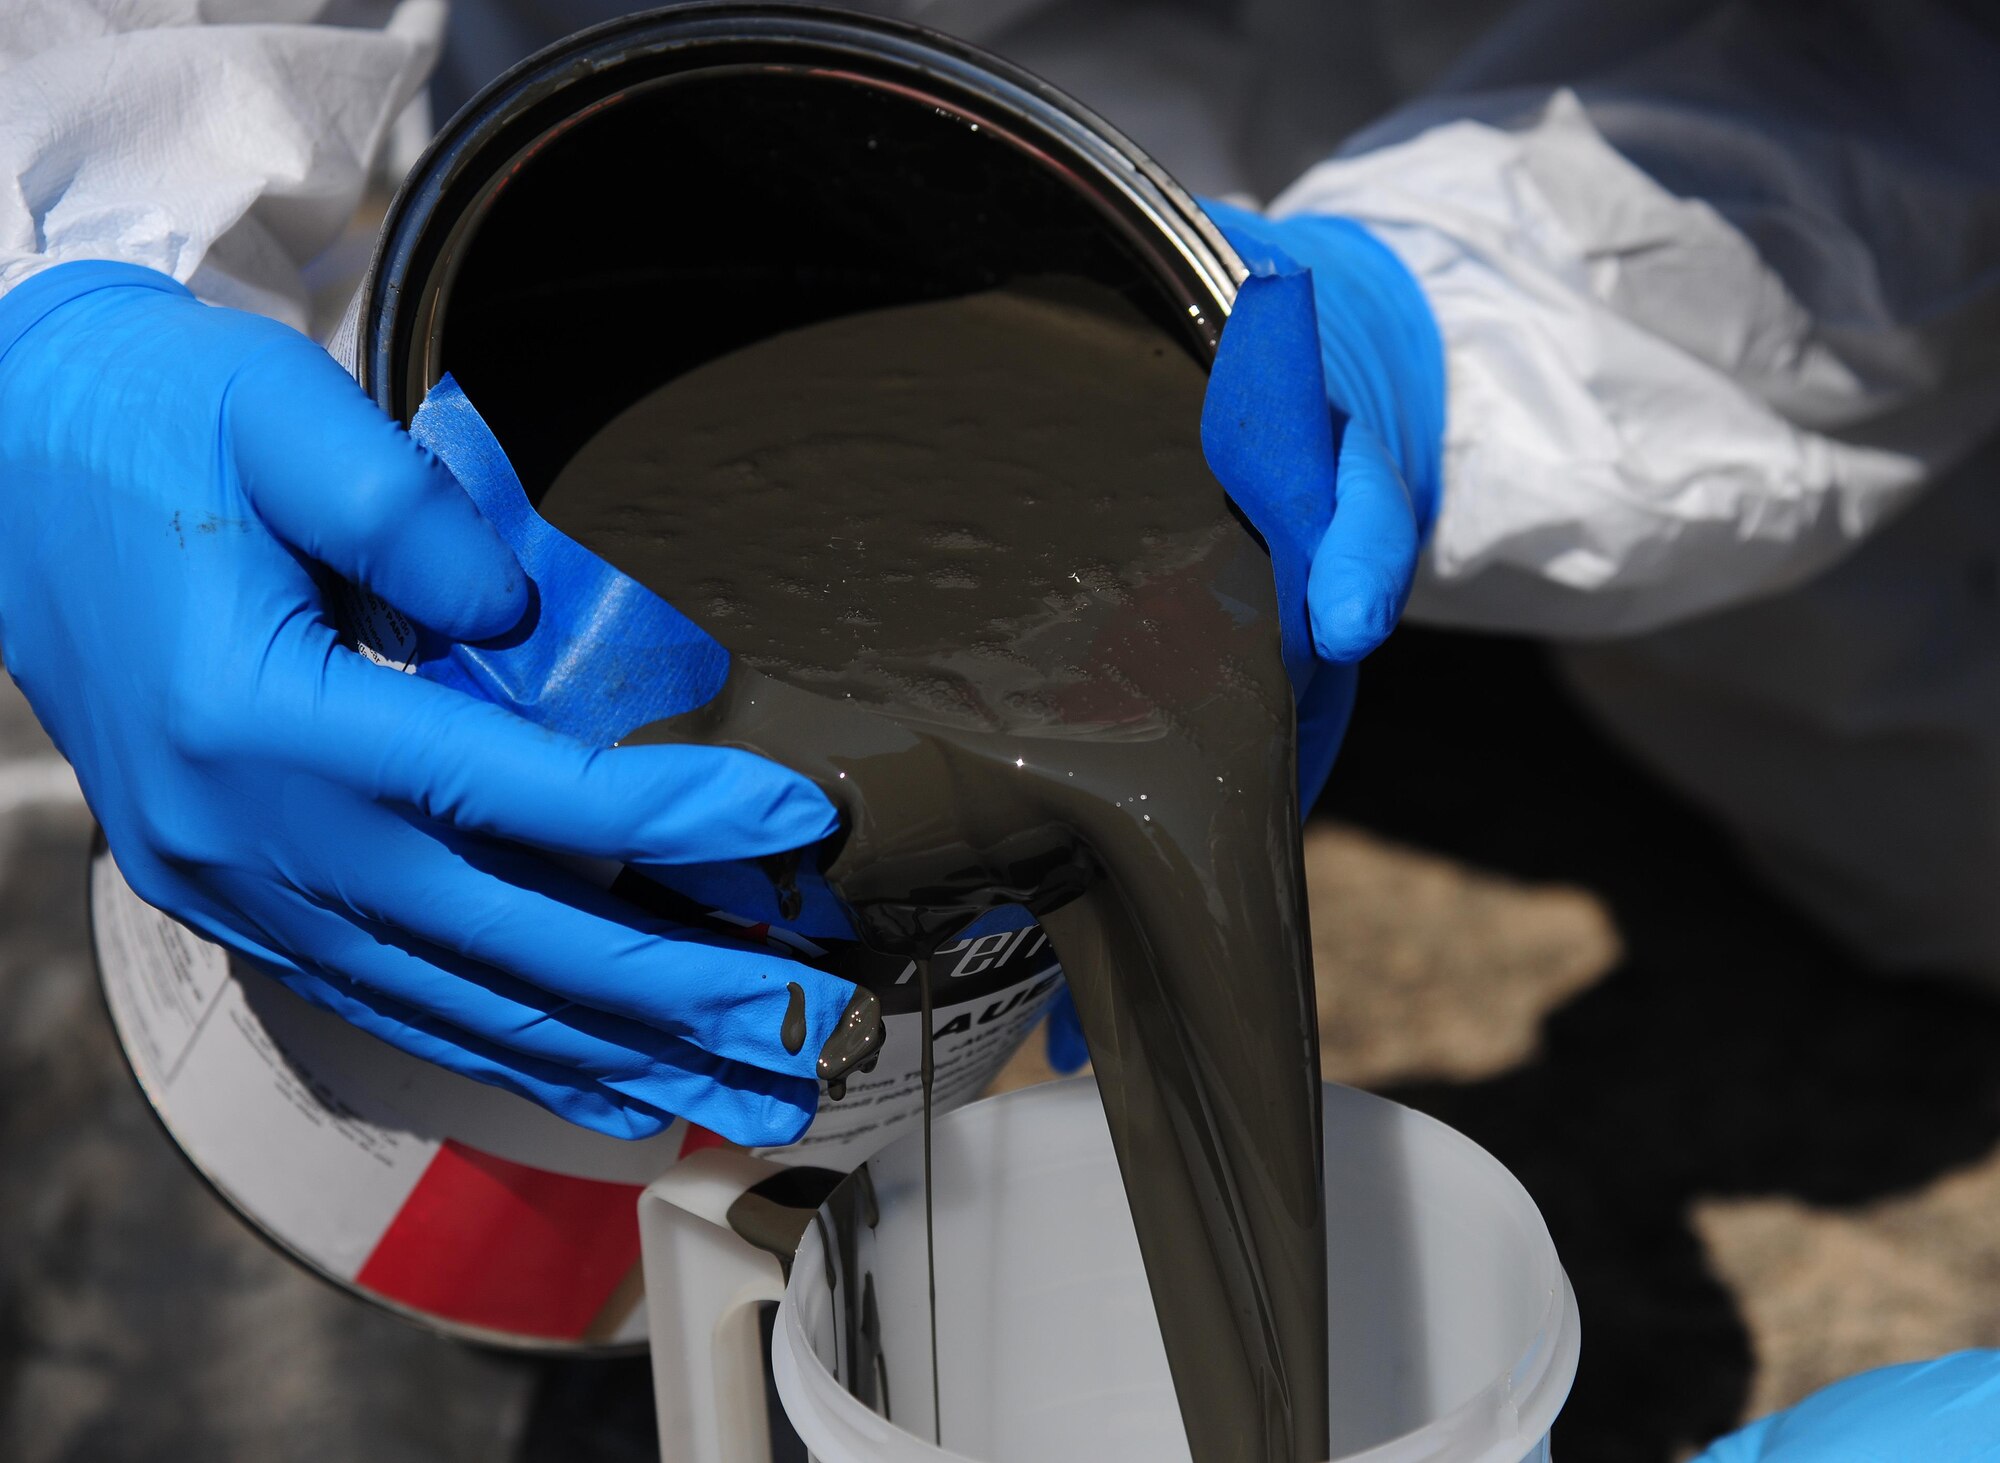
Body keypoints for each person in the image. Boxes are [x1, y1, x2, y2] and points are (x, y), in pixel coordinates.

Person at [2, 0, 1998, 1455]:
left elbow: (1924, 84)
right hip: (657, 139)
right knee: (228, 603)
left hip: (1576, 83)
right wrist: (67, 281)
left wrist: (1442, 330)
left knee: (1946, 834)